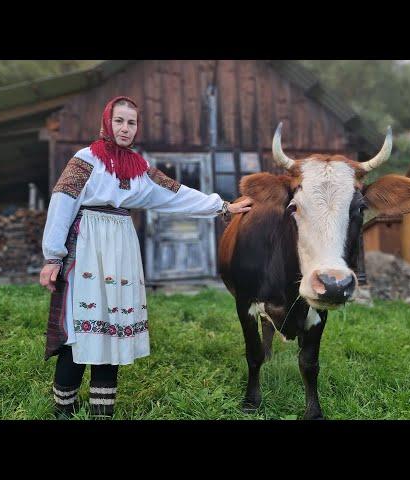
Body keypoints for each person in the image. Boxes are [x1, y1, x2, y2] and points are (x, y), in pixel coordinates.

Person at [39, 95, 253, 418]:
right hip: (88, 246)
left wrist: (223, 206)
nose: (125, 129)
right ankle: (63, 410)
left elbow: (176, 194)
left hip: (121, 246)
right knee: (81, 327)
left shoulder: (139, 168)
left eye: (132, 123)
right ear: (106, 122)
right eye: (119, 121)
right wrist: (53, 257)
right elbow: (62, 204)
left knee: (111, 330)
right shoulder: (84, 160)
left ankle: (101, 411)